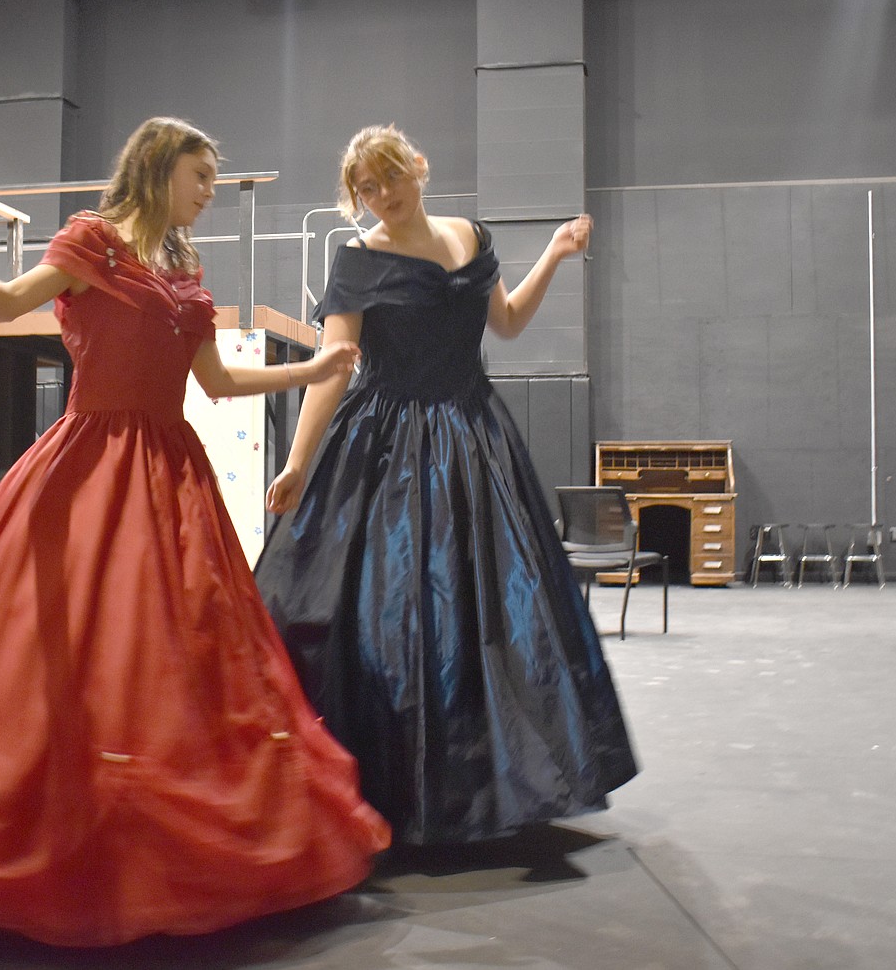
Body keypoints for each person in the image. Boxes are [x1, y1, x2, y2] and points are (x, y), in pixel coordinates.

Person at [0, 116, 389, 947]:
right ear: (158, 170)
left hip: (172, 474)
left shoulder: (186, 269)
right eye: (200, 177)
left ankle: (170, 827)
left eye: (212, 181)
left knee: (174, 649)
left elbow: (214, 381)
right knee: (66, 648)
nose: (209, 193)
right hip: (91, 461)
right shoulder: (93, 242)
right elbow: (8, 302)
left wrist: (311, 368)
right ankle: (55, 825)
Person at [254, 124, 638, 849]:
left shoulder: (471, 236)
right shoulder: (357, 261)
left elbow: (510, 322)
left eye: (388, 176)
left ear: (416, 168)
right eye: (364, 188)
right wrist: (300, 461)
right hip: (387, 447)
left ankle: (482, 783)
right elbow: (335, 367)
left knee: (488, 609)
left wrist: (554, 254)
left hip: (473, 439)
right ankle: (391, 787)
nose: (380, 196)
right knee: (390, 612)